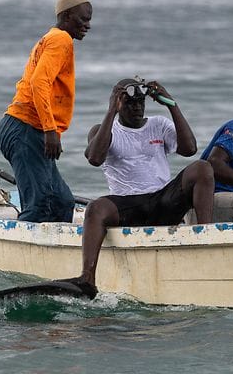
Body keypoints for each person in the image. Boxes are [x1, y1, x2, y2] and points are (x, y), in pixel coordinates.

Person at [72, 77, 215, 295]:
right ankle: (87, 278)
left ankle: (205, 238)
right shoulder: (103, 130)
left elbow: (189, 149)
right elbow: (94, 158)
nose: (137, 107)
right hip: (128, 205)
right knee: (96, 208)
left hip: (162, 200)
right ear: (119, 104)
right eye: (130, 103)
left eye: (141, 102)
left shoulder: (158, 124)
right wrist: (111, 111)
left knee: (202, 168)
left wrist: (171, 104)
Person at [0, 0, 93, 223]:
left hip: (26, 129)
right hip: (25, 128)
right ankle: (14, 255)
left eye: (89, 19)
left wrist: (50, 130)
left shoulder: (52, 38)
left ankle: (57, 256)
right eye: (83, 19)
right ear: (67, 15)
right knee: (39, 205)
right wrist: (50, 130)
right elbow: (39, 82)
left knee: (62, 202)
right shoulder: (61, 39)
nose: (88, 25)